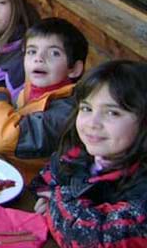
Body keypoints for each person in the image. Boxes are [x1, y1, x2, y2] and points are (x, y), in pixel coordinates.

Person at [32, 60, 147, 247]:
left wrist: (55, 200)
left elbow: (87, 236)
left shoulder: (142, 190)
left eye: (112, 113)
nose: (92, 123)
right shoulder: (79, 154)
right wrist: (53, 198)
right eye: (87, 108)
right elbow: (45, 178)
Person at [0, 18, 88, 177]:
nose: (39, 58)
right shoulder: (31, 90)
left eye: (54, 53)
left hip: (34, 190)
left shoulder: (67, 110)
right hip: (7, 171)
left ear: (74, 69)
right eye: (32, 51)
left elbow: (3, 138)